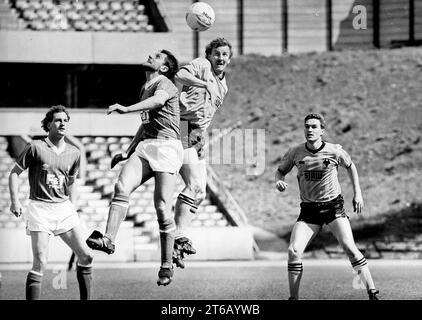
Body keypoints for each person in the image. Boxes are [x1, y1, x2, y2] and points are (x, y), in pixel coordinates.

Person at [110, 38, 234, 269]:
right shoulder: (201, 66)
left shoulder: (223, 85)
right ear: (209, 55)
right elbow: (179, 77)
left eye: (225, 54)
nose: (220, 58)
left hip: (195, 135)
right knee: (194, 186)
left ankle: (177, 238)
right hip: (182, 129)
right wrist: (205, 84)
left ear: (229, 58)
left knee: (199, 190)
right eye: (217, 53)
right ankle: (176, 237)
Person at [86, 49, 182, 286]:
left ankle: (167, 265)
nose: (151, 55)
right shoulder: (145, 87)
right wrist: (127, 152)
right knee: (121, 186)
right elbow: (145, 124)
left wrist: (127, 108)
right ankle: (108, 239)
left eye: (158, 56)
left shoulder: (166, 84)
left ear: (164, 68)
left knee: (161, 206)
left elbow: (158, 101)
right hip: (146, 145)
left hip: (167, 146)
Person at [275, 113, 379, 300]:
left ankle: (372, 291)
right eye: (307, 126)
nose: (309, 130)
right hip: (309, 211)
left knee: (349, 247)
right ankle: (293, 298)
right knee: (293, 251)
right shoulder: (295, 152)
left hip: (333, 207)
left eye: (314, 126)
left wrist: (358, 194)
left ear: (322, 130)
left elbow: (351, 166)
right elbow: (280, 171)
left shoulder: (334, 151)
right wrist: (279, 182)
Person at [8, 105, 93, 300]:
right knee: (41, 262)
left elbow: (71, 183)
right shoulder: (35, 147)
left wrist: (73, 206)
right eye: (58, 120)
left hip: (64, 208)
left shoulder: (74, 152)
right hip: (39, 208)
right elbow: (14, 174)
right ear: (49, 125)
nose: (63, 123)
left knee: (87, 257)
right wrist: (15, 201)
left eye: (65, 120)